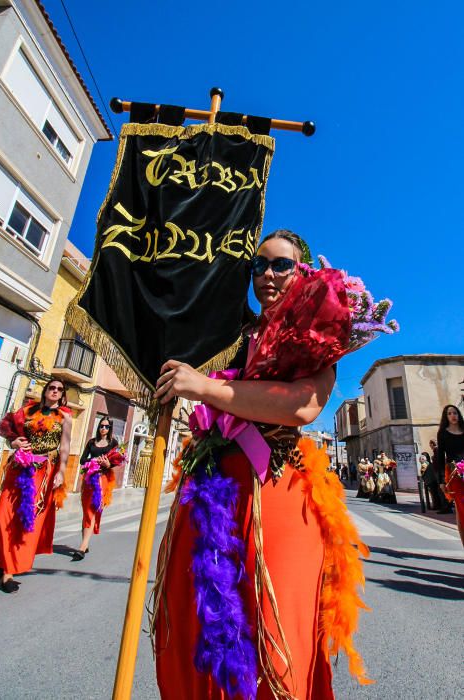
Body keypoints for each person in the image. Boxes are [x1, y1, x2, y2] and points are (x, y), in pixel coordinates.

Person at [151, 230, 372, 699]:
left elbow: (302, 406)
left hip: (277, 489)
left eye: (281, 265)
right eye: (259, 266)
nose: (267, 275)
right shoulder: (227, 334)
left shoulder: (319, 333)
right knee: (202, 623)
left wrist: (206, 389)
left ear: (305, 273)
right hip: (212, 489)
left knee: (276, 628)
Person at [0, 380, 71, 593]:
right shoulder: (28, 410)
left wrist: (62, 472)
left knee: (25, 520)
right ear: (46, 391)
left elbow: (65, 447)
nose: (55, 391)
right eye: (52, 387)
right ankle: (1, 560)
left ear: (62, 394)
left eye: (59, 389)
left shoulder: (65, 416)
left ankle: (8, 571)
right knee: (3, 514)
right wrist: (14, 442)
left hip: (42, 472)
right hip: (18, 467)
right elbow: (8, 428)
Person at [73, 416, 123, 560]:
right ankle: (85, 543)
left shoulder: (113, 443)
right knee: (86, 510)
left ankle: (82, 547)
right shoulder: (92, 442)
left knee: (93, 510)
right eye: (102, 426)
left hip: (102, 480)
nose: (104, 429)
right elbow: (83, 459)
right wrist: (93, 461)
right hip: (89, 478)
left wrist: (108, 465)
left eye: (107, 427)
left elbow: (116, 461)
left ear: (110, 429)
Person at [437, 404, 464, 544]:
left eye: (455, 412)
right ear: (446, 417)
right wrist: (442, 480)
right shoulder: (443, 433)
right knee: (461, 508)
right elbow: (441, 457)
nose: (453, 415)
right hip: (454, 473)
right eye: (450, 413)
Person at [429, 438, 451, 513]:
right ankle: (446, 507)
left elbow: (441, 464)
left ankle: (446, 508)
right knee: (443, 490)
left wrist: (441, 477)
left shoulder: (437, 450)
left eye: (430, 444)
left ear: (432, 444)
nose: (430, 446)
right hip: (441, 473)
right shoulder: (437, 451)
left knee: (442, 490)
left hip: (441, 473)